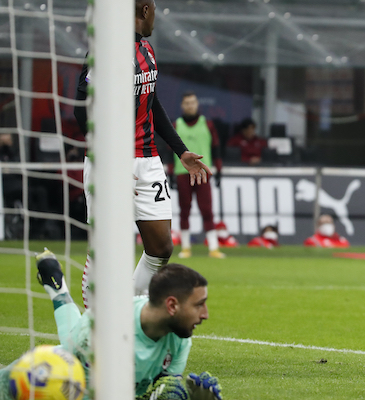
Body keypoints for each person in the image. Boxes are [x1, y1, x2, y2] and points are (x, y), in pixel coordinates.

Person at [74, 0, 212, 308]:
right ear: (146, 10)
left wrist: (181, 151)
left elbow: (152, 105)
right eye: (156, 12)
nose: (156, 20)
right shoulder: (107, 50)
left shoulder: (146, 49)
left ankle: (127, 314)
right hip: (111, 161)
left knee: (161, 246)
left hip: (147, 158)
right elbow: (81, 109)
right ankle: (92, 327)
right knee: (108, 249)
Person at [0, 250, 222, 400]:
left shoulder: (180, 336)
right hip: (77, 368)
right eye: (199, 305)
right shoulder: (100, 330)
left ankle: (57, 287)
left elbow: (163, 386)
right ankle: (59, 292)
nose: (206, 315)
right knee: (63, 348)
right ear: (172, 306)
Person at [172, 92, 225, 259]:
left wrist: (218, 169)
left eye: (193, 102)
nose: (190, 106)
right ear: (182, 105)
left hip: (203, 172)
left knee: (206, 210)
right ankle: (185, 247)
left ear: (197, 104)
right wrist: (169, 171)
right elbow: (168, 149)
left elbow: (216, 146)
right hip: (182, 173)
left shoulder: (207, 124)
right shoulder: (176, 125)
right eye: (187, 103)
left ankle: (214, 247)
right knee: (184, 210)